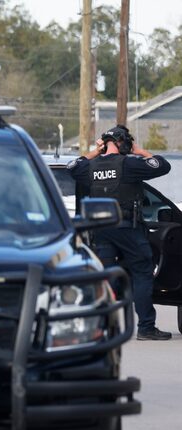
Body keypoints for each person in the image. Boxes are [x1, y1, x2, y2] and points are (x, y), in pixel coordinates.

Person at [68, 125, 172, 340]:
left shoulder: (90, 166)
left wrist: (97, 150)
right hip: (126, 228)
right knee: (142, 271)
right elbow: (162, 165)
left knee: (105, 276)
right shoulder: (129, 164)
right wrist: (140, 151)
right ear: (122, 142)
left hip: (101, 230)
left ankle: (100, 328)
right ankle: (146, 327)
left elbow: (72, 166)